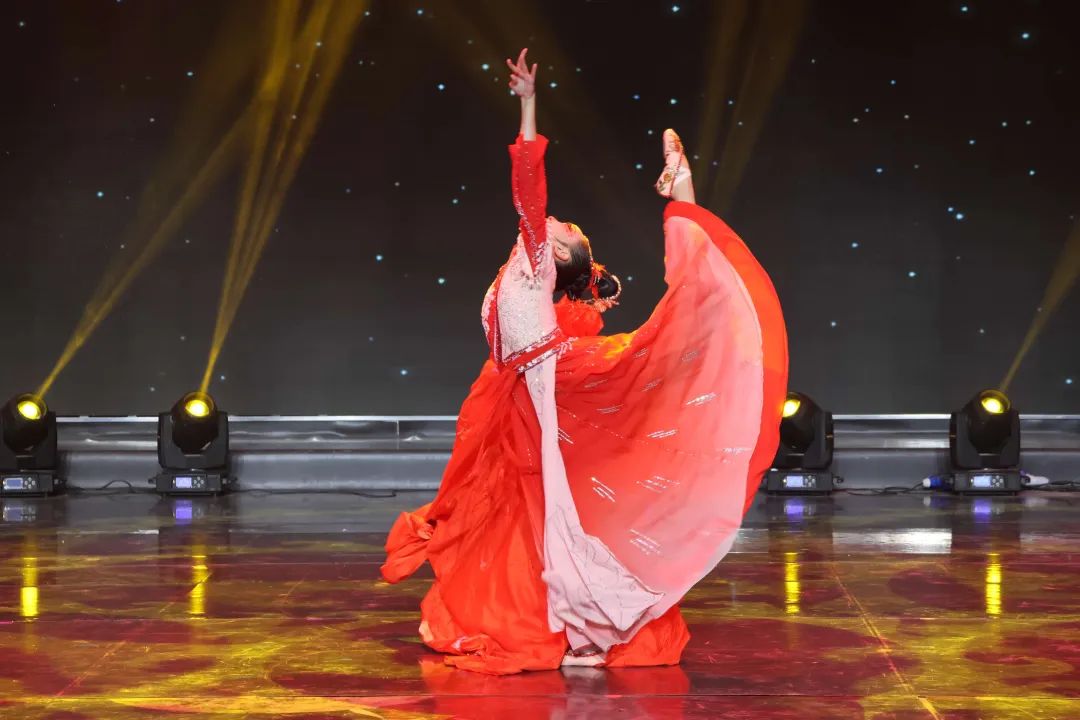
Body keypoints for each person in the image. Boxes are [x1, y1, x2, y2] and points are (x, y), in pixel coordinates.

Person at [382, 48, 788, 675]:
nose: (557, 222)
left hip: (549, 384)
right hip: (521, 389)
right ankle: (561, 617)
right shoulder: (530, 267)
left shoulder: (535, 258)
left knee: (573, 484)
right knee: (529, 509)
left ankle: (685, 199)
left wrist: (527, 106)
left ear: (558, 254)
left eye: (565, 230)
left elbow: (528, 188)